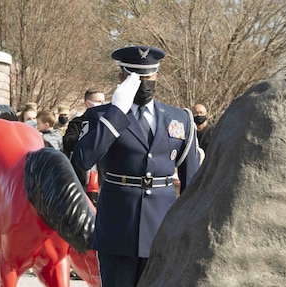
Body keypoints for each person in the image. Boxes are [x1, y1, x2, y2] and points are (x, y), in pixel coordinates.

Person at [73, 45, 201, 286]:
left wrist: (188, 229)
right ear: (122, 77)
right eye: (136, 77)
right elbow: (83, 159)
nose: (143, 83)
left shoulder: (179, 118)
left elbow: (191, 181)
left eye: (148, 77)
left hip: (163, 227)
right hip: (119, 225)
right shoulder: (100, 116)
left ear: (157, 76)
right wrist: (116, 113)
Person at [63, 88, 106, 204]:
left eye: (103, 101)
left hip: (103, 176)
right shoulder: (77, 122)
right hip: (81, 177)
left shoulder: (107, 123)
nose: (102, 104)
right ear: (88, 103)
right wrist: (86, 138)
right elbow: (67, 142)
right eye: (98, 101)